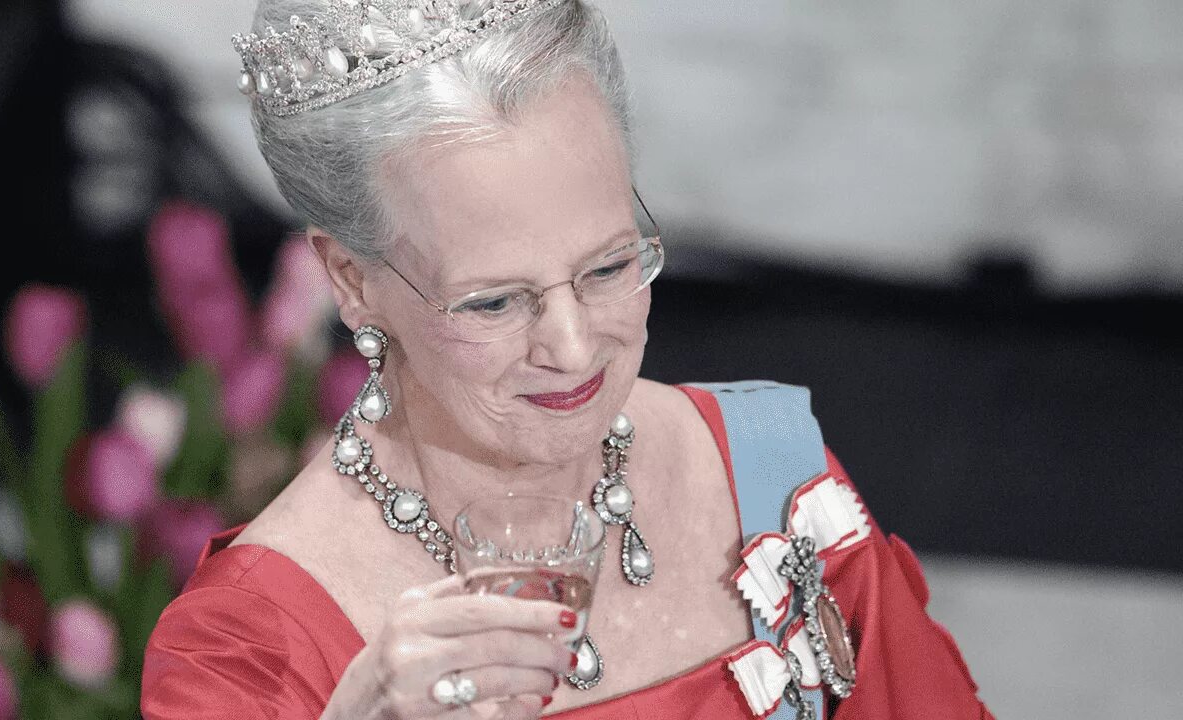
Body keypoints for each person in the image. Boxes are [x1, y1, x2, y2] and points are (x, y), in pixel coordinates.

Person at [142, 1, 994, 718]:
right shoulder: (250, 648)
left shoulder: (775, 476)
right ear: (352, 282)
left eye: (609, 268)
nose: (576, 348)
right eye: (494, 302)